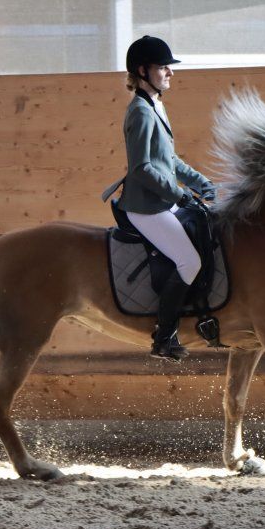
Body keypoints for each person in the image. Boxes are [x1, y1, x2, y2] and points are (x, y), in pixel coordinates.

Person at [102, 36, 216, 360]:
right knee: (189, 260)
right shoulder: (139, 111)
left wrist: (202, 183)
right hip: (146, 207)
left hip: (163, 200)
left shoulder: (156, 104)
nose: (170, 73)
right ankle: (164, 338)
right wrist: (182, 194)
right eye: (163, 67)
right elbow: (141, 169)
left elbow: (170, 161)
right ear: (142, 70)